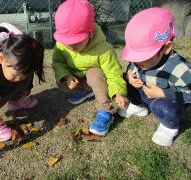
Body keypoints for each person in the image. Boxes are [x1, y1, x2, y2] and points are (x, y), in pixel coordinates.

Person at [52, 0, 127, 136]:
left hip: (98, 80)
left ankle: (105, 111)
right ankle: (85, 91)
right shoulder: (61, 45)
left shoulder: (103, 49)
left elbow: (113, 72)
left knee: (94, 73)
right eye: (66, 42)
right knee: (61, 81)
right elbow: (58, 62)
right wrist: (66, 75)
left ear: (91, 33)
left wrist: (118, 92)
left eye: (76, 42)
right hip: (77, 79)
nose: (70, 46)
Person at [118, 7, 191, 146]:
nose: (137, 62)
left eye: (143, 57)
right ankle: (137, 106)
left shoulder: (179, 69)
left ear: (167, 48)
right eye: (135, 57)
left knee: (166, 108)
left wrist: (163, 93)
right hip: (144, 92)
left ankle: (169, 127)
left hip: (164, 101)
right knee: (123, 79)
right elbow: (132, 66)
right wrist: (130, 76)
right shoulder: (140, 62)